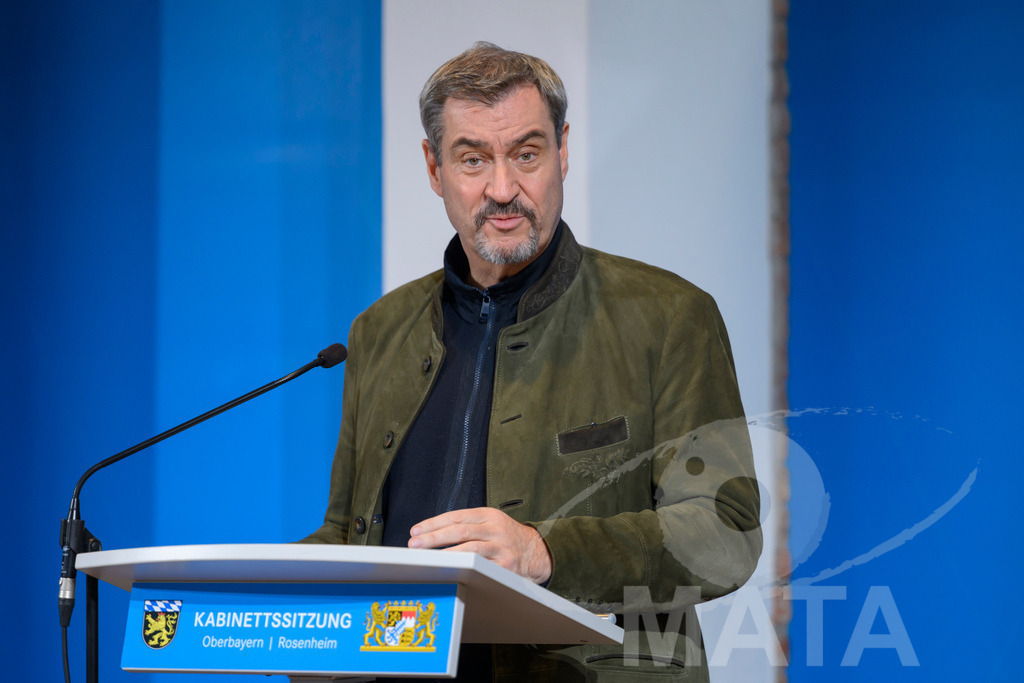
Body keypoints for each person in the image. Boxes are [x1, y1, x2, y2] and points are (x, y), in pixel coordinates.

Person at [304, 42, 762, 682]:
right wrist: (255, 600)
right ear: (434, 169)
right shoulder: (379, 332)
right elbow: (346, 536)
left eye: (526, 154)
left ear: (563, 151)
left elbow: (725, 532)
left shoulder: (669, 316)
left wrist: (543, 552)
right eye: (472, 159)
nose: (503, 188)